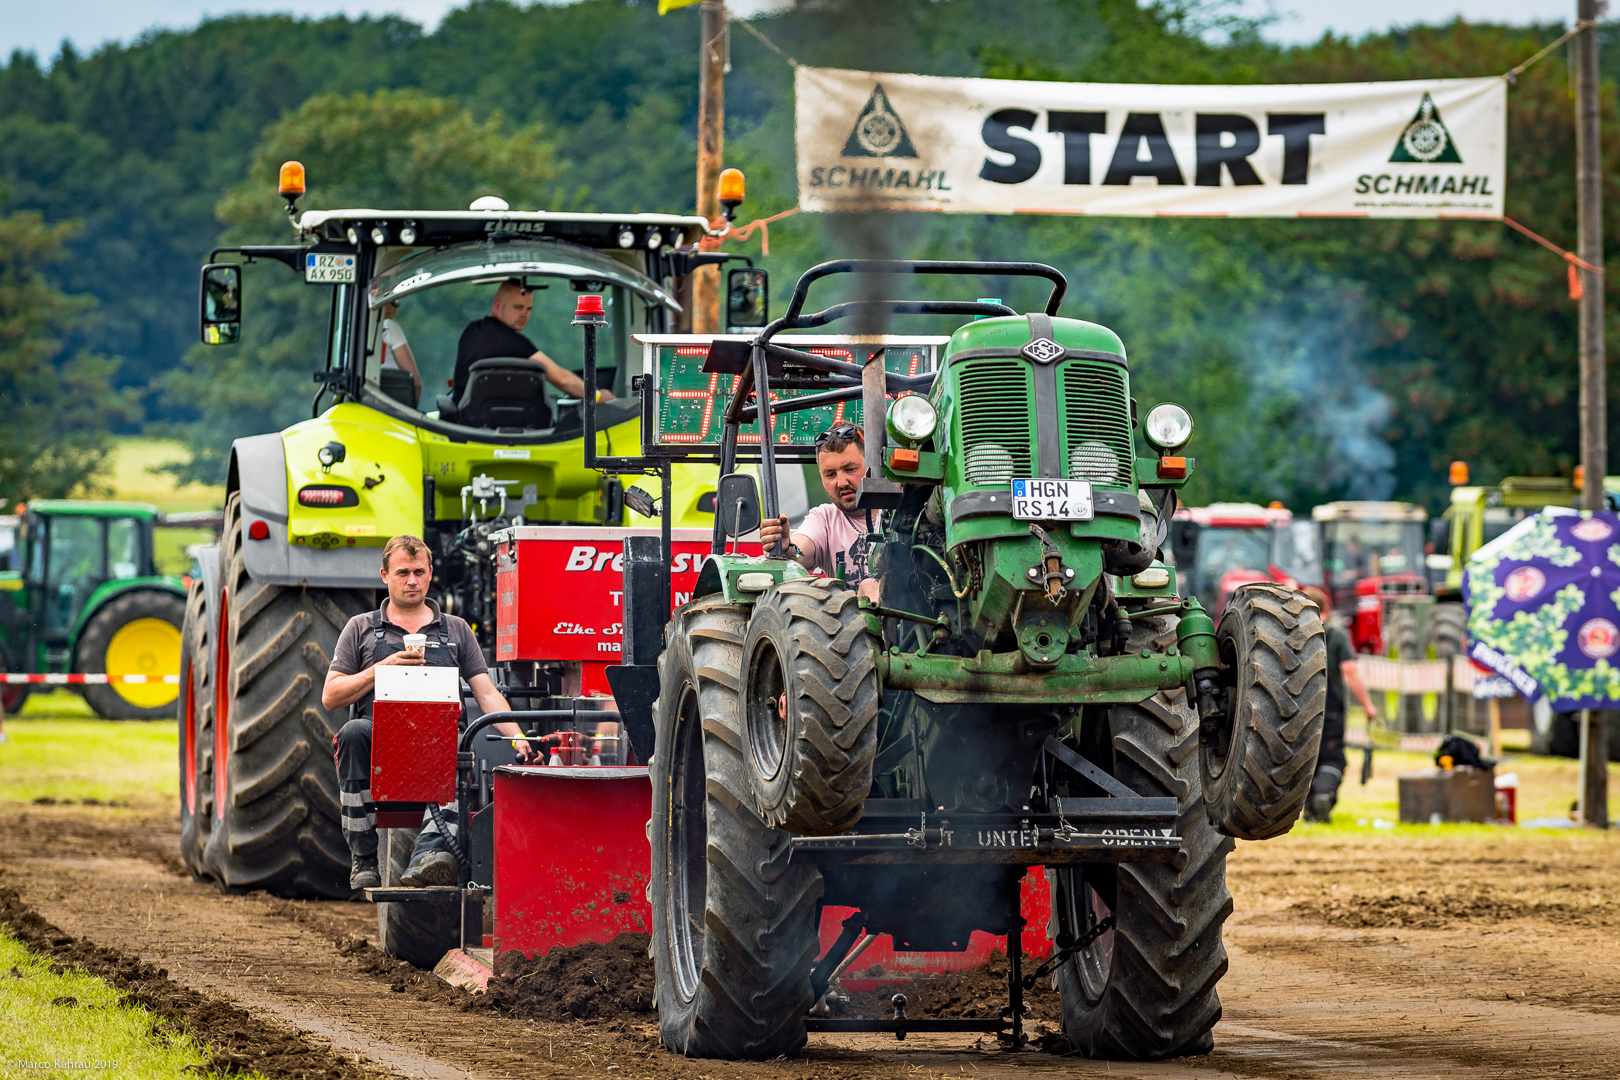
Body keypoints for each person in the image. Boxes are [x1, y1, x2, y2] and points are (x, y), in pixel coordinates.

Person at [323, 535, 535, 890]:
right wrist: (382, 667)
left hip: (440, 738)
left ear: (431, 573)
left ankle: (428, 857)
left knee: (458, 744)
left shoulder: (455, 629)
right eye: (402, 572)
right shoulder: (359, 628)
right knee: (352, 733)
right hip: (381, 744)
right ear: (384, 576)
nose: (412, 580)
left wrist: (517, 737)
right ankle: (363, 858)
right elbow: (331, 695)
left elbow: (485, 692)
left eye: (419, 572)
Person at [453, 280, 615, 424]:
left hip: (465, 422)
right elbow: (562, 379)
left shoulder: (471, 331)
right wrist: (598, 396)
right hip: (509, 424)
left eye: (528, 309)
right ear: (497, 307)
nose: (525, 314)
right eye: (518, 307)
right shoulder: (514, 343)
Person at [758, 420, 883, 602]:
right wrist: (787, 548)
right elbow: (800, 553)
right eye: (830, 474)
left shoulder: (906, 512)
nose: (841, 482)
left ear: (872, 464)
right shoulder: (824, 519)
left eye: (850, 469)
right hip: (847, 627)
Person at [1301, 585, 1380, 822]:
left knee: (1305, 757)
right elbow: (1350, 670)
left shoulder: (1294, 634)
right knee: (1332, 758)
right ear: (1326, 607)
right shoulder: (1334, 634)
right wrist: (1367, 705)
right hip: (1329, 708)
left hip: (1298, 711)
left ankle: (1309, 809)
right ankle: (1323, 796)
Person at [380, 299, 422, 399]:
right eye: (384, 302)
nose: (390, 307)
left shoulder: (341, 333)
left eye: (394, 302)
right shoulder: (388, 326)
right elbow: (415, 384)